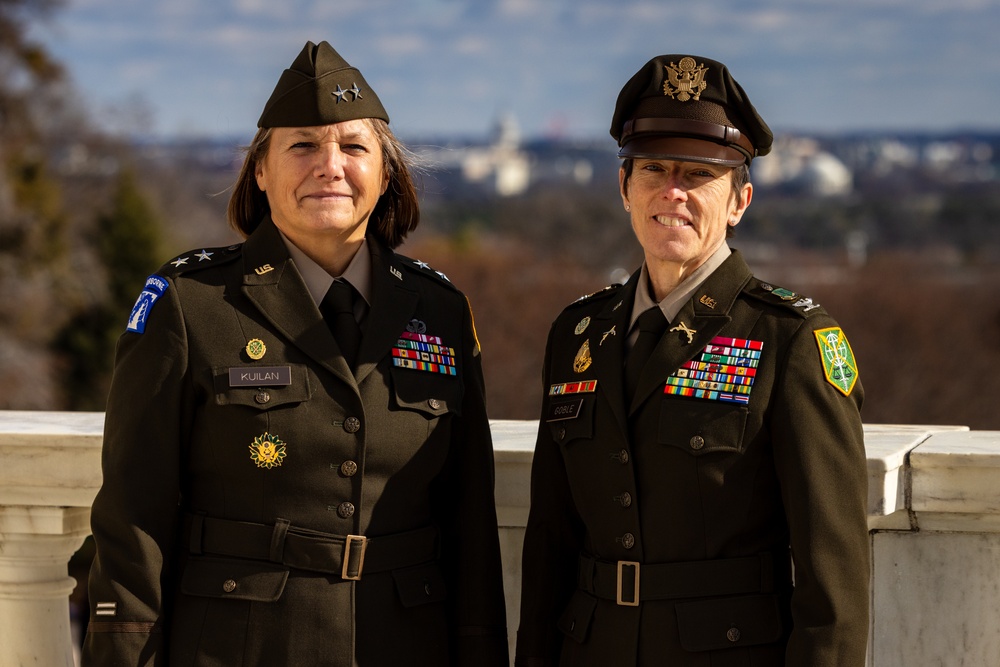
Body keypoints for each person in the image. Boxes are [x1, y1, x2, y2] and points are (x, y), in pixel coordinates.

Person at [82, 40, 509, 666]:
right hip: (240, 646)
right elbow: (132, 514)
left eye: (354, 147)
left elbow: (470, 523)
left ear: (386, 173)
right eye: (302, 145)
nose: (329, 165)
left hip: (402, 644)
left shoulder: (439, 311)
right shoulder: (189, 304)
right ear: (261, 170)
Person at [515, 54, 869, 666]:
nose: (672, 191)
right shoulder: (578, 333)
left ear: (739, 201)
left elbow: (832, 585)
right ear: (625, 188)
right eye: (653, 168)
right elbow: (551, 543)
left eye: (700, 174)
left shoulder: (792, 340)